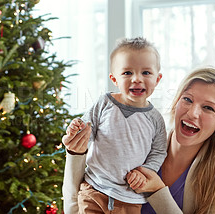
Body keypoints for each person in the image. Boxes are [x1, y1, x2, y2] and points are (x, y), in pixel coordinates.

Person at [62, 67, 215, 214]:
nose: (192, 113)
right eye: (187, 99)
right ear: (177, 102)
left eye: (208, 108)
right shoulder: (141, 140)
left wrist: (158, 193)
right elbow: (78, 198)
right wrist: (76, 153)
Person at [62, 37, 167, 213]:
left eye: (146, 73)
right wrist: (76, 130)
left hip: (129, 198)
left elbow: (158, 151)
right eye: (127, 73)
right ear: (114, 79)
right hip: (94, 188)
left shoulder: (155, 119)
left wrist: (145, 172)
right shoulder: (105, 103)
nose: (136, 79)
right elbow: (87, 130)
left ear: (157, 79)